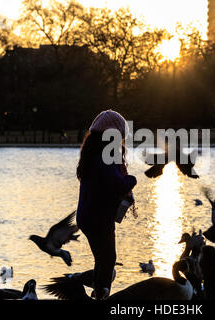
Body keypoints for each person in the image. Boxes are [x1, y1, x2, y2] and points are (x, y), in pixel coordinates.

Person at [76, 110, 137, 300]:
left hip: (89, 216)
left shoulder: (92, 153)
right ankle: (101, 296)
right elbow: (116, 185)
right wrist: (131, 180)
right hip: (98, 218)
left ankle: (97, 294)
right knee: (108, 260)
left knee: (103, 260)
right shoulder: (106, 156)